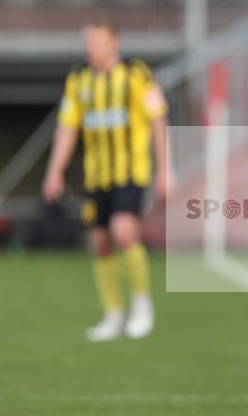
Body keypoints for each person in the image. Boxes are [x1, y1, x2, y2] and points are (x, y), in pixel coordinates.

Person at [42, 20, 173, 341]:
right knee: (99, 243)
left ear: (114, 42)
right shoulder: (78, 80)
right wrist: (54, 170)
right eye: (88, 43)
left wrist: (165, 169)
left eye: (97, 43)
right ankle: (114, 315)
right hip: (96, 175)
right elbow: (68, 127)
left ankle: (142, 306)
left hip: (131, 172)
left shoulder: (137, 74)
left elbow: (158, 120)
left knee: (123, 231)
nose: (92, 50)